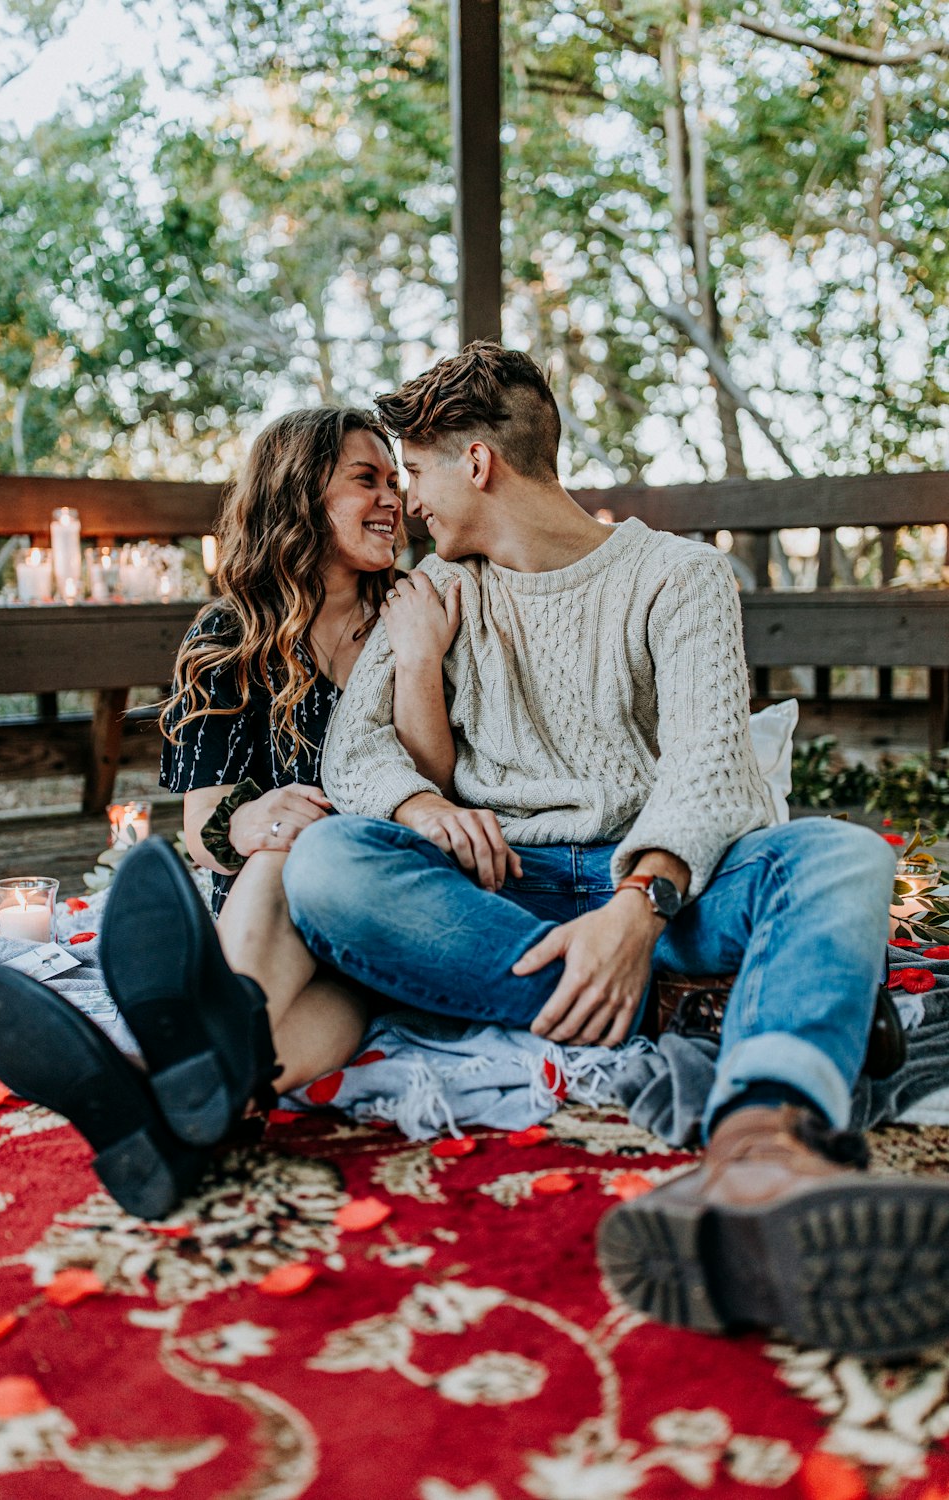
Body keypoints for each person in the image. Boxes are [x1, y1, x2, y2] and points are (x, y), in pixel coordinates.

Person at [279, 342, 949, 1359]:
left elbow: (711, 770)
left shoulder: (678, 578)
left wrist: (638, 906)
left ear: (477, 463)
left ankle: (760, 1149)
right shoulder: (432, 589)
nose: (407, 501)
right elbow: (354, 754)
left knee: (838, 855)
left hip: (664, 890)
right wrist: (420, 809)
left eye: (412, 472)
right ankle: (682, 1011)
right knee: (330, 864)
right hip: (500, 891)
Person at [0, 405, 461, 1220]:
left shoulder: (417, 609)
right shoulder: (230, 636)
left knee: (344, 953)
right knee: (279, 866)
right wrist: (256, 815)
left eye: (396, 483)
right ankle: (197, 1109)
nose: (394, 502)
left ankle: (146, 1097)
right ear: (301, 497)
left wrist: (418, 660)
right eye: (365, 481)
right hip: (270, 915)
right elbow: (202, 827)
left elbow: (432, 778)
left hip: (381, 896)